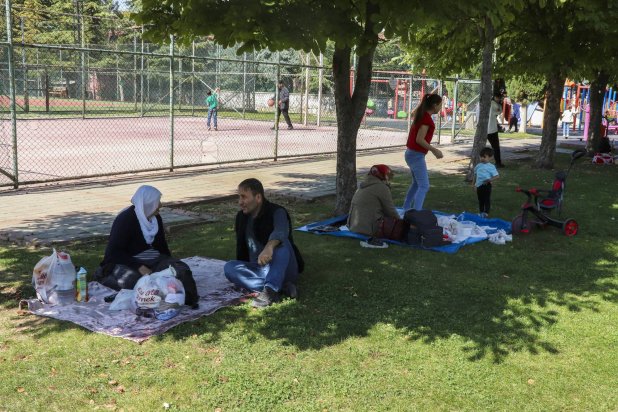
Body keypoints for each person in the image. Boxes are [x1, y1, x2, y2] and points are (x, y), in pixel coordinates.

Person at [94, 185, 200, 308]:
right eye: (157, 202)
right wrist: (139, 266)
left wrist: (169, 264)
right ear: (148, 204)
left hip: (152, 258)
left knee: (180, 270)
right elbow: (113, 253)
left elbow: (161, 247)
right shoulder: (125, 219)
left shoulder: (156, 218)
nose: (160, 205)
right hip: (127, 261)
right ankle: (159, 300)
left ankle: (185, 299)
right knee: (136, 281)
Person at [224, 178, 304, 308]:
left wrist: (269, 247)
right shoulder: (241, 217)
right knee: (229, 267)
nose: (240, 202)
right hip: (260, 269)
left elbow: (280, 232)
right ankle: (280, 288)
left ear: (258, 197)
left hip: (284, 267)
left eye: (244, 197)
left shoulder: (278, 212)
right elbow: (242, 249)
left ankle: (270, 290)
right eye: (239, 197)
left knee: (282, 244)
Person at [403, 93, 444, 211]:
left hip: (412, 154)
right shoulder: (426, 119)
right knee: (424, 186)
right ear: (435, 105)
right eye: (440, 105)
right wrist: (434, 150)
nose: (441, 108)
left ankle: (406, 208)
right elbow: (419, 140)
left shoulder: (422, 115)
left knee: (416, 183)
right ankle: (416, 213)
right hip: (415, 155)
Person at [348, 164, 399, 237]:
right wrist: (402, 222)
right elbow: (391, 211)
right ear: (383, 175)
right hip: (369, 230)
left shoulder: (363, 185)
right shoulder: (382, 187)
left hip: (353, 227)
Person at [472, 147, 500, 218]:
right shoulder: (478, 166)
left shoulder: (491, 166)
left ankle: (486, 212)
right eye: (481, 157)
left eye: (484, 157)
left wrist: (490, 180)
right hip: (479, 186)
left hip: (487, 185)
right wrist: (474, 185)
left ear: (490, 157)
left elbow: (497, 176)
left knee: (486, 199)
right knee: (480, 200)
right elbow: (475, 175)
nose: (482, 158)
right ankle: (481, 212)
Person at [487, 93, 505, 168]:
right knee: (496, 147)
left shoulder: (483, 103)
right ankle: (498, 162)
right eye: (499, 98)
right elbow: (500, 111)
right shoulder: (494, 104)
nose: (499, 99)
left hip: (484, 129)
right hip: (491, 129)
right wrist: (501, 105)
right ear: (495, 97)